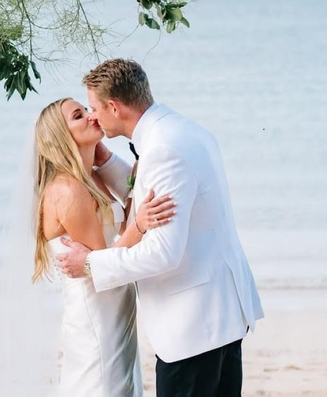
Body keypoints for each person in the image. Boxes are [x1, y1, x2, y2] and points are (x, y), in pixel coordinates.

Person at [56, 59, 264, 397]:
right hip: (221, 313)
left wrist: (91, 264)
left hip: (193, 326)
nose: (92, 116)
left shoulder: (163, 150)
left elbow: (164, 253)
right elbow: (152, 193)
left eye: (93, 108)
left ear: (114, 106)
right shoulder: (179, 129)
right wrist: (107, 162)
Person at [26, 97, 176, 396]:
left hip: (117, 303)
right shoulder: (68, 190)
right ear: (61, 136)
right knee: (101, 383)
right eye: (78, 116)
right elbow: (105, 264)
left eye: (87, 109)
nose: (92, 116)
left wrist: (134, 194)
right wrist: (141, 225)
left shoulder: (91, 177)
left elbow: (118, 232)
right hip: (96, 309)